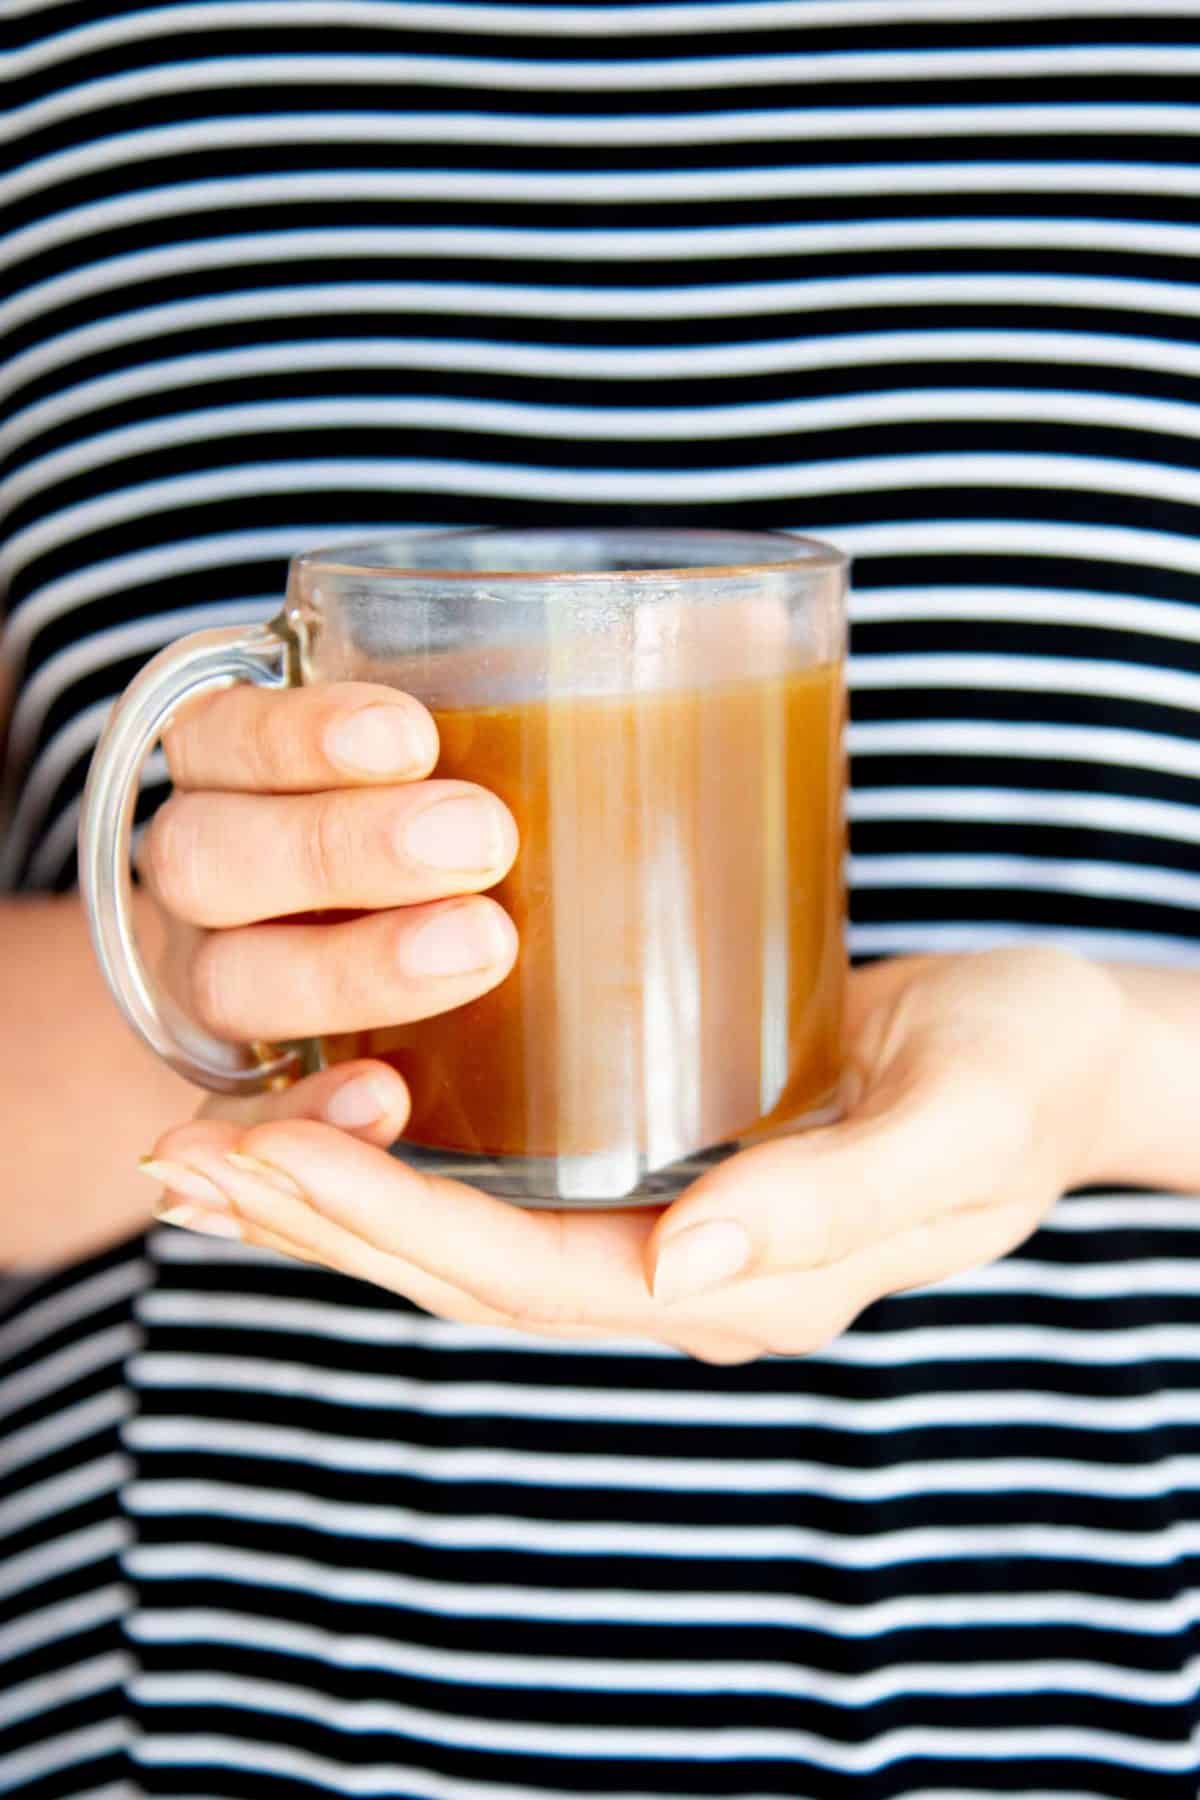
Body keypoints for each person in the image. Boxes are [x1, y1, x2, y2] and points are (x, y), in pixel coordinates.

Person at [6, 2, 1200, 1795]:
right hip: (197, 1692)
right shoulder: (76, 93)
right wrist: (204, 993)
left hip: (1099, 1683)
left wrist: (1107, 1072)